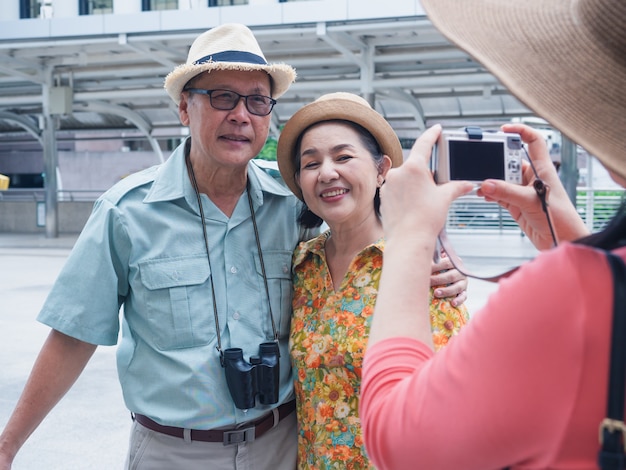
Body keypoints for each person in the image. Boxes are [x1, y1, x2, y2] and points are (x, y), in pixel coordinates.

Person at [0, 23, 469, 470]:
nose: (240, 115)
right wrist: (8, 445)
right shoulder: (125, 213)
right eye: (222, 97)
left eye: (257, 101)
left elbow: (361, 227)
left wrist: (437, 257)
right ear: (185, 108)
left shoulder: (292, 200)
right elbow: (73, 334)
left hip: (282, 447)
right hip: (173, 452)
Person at [359, 0, 626, 468]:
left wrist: (409, 234)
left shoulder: (569, 291)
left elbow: (396, 444)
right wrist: (573, 240)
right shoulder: (595, 282)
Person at [276, 92, 470, 469]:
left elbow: (458, 399)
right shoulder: (303, 264)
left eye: (344, 157)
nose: (327, 172)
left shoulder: (418, 267)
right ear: (300, 181)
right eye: (311, 163)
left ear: (382, 169)